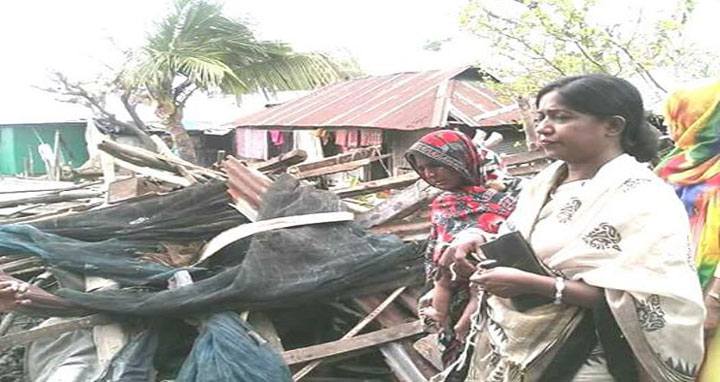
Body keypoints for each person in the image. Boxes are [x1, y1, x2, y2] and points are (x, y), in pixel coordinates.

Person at [442, 74, 705, 381]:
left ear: (613, 126)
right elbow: (526, 243)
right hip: (511, 346)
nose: (543, 127)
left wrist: (540, 286)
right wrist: (479, 240)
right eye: (541, 117)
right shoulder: (543, 184)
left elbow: (653, 302)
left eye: (561, 117)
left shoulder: (641, 196)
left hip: (583, 358)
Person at [404, 130, 518, 376]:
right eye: (422, 168)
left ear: (460, 160)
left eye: (437, 165)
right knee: (457, 361)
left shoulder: (508, 198)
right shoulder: (444, 202)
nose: (429, 174)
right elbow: (436, 248)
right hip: (449, 288)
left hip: (498, 294)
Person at [656, 80, 720, 381]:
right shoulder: (674, 168)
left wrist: (714, 300)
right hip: (676, 294)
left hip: (711, 299)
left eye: (674, 119)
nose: (670, 129)